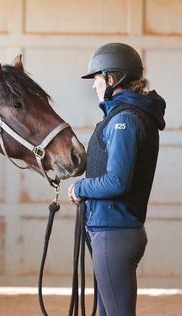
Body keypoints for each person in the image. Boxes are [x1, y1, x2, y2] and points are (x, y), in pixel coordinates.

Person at [68, 43, 166, 316]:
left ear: (112, 79)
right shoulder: (123, 116)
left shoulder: (125, 121)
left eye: (97, 78)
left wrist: (80, 186)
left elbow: (117, 182)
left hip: (114, 232)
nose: (94, 86)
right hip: (111, 230)